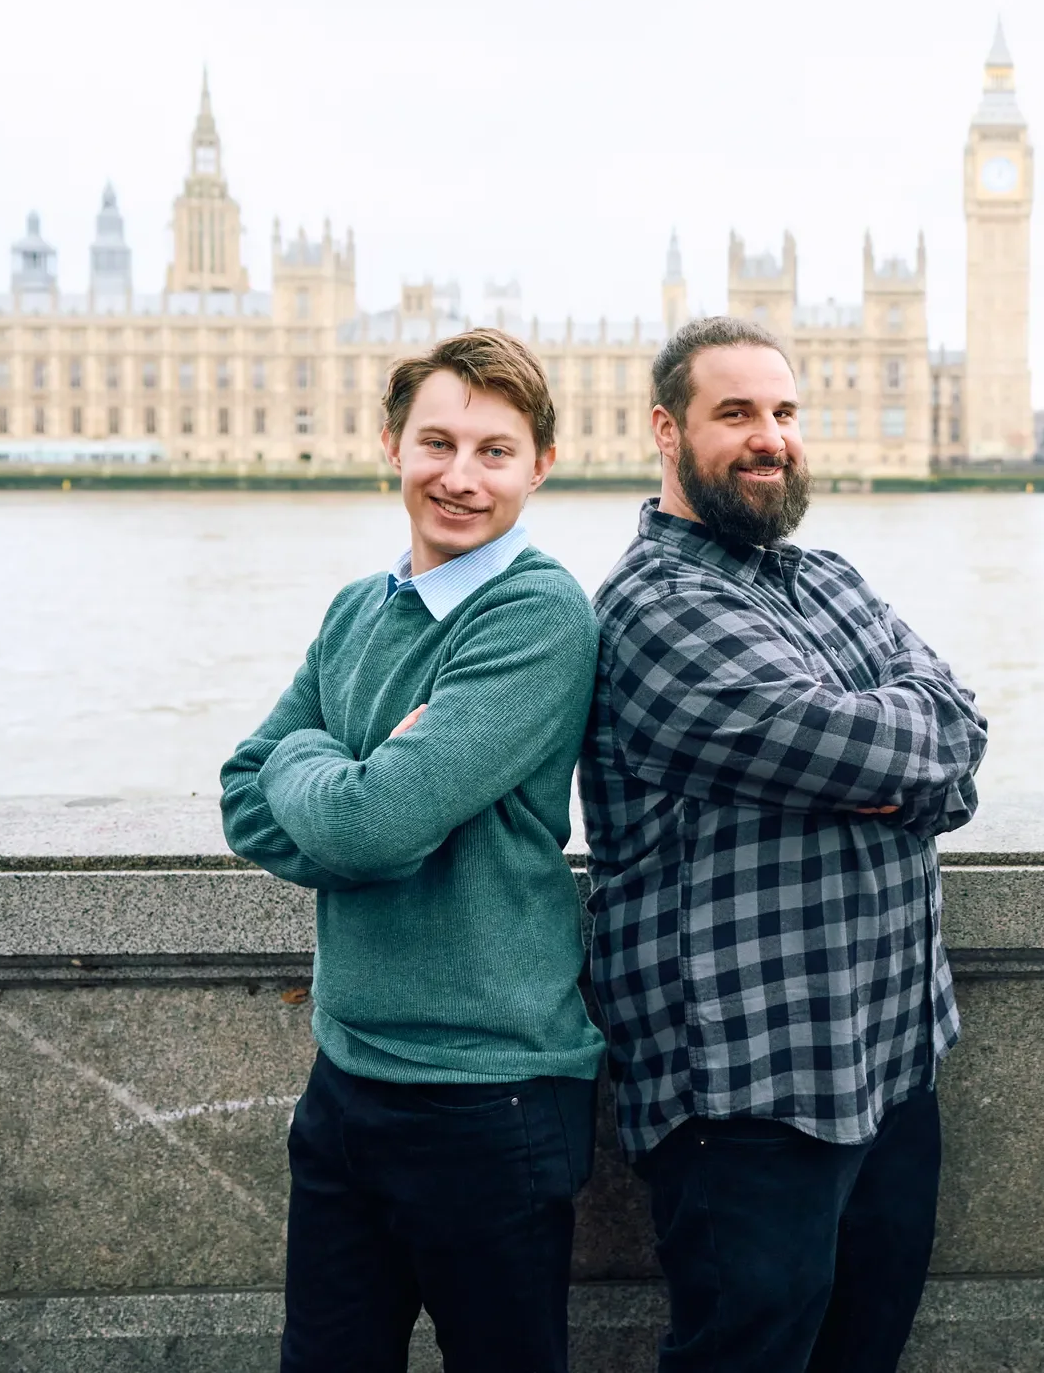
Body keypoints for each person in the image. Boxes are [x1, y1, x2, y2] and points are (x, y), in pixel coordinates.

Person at [581, 315, 988, 1373]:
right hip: (746, 1089)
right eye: (736, 415)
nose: (769, 437)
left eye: (784, 412)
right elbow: (845, 745)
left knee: (865, 1348)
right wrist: (896, 765)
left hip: (889, 1059)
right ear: (666, 432)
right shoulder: (652, 604)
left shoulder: (830, 576)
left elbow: (960, 731)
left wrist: (898, 771)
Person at [220, 328, 604, 1373]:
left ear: (540, 467)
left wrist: (318, 776)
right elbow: (241, 802)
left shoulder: (537, 613)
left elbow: (365, 826)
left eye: (494, 451)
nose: (461, 477)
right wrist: (336, 776)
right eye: (437, 442)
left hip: (491, 1099)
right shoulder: (357, 609)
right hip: (346, 1079)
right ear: (391, 444)